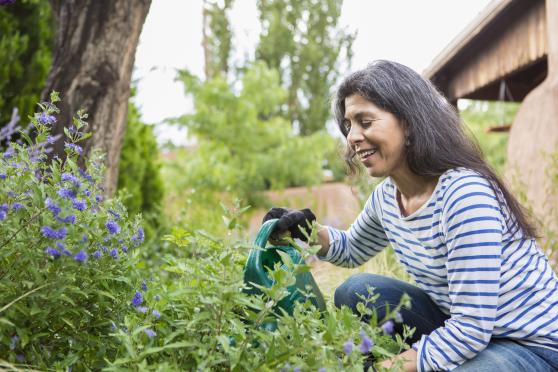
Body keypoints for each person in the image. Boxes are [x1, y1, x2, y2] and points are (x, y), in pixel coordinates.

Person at [263, 60, 558, 371]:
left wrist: (385, 368)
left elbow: (472, 328)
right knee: (355, 290)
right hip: (466, 325)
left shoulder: (464, 194)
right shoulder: (387, 199)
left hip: (533, 343)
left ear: (408, 123)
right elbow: (350, 249)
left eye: (365, 121)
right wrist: (305, 230)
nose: (352, 137)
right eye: (349, 125)